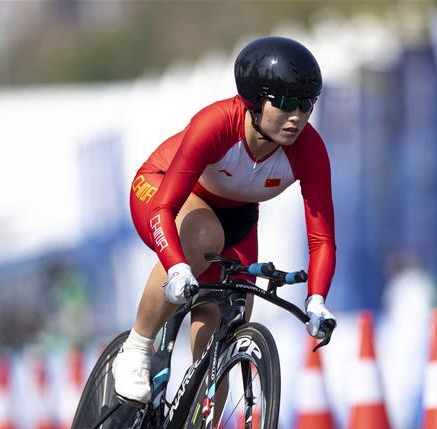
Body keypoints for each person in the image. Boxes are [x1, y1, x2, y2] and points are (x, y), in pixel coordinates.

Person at [112, 36, 337, 403]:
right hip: (163, 192)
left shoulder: (310, 150)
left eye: (307, 103)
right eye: (284, 102)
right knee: (203, 236)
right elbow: (166, 208)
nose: (297, 115)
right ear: (253, 100)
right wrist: (176, 267)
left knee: (227, 340)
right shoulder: (216, 124)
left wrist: (316, 301)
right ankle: (137, 346)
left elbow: (322, 239)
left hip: (238, 219)